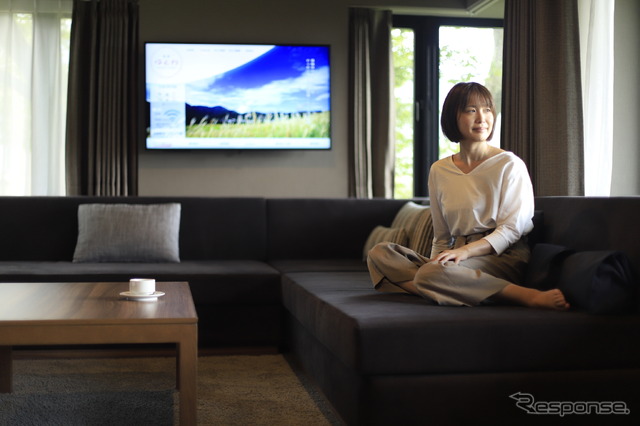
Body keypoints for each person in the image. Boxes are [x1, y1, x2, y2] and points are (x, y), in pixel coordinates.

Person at [367, 82, 569, 311]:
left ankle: (524, 296)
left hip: (501, 255)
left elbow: (512, 229)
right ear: (453, 117)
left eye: (487, 109)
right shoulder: (439, 170)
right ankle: (438, 286)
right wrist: (437, 261)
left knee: (431, 274)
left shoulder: (509, 164)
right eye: (471, 110)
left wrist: (462, 253)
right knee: (381, 254)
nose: (482, 118)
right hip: (456, 256)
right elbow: (442, 236)